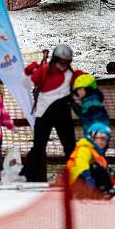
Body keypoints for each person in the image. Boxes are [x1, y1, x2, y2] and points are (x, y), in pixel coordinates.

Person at [20, 44, 84, 182]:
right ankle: (26, 177)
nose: (64, 65)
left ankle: (78, 177)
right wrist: (27, 73)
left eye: (67, 62)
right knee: (38, 147)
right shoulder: (43, 71)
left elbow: (79, 93)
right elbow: (26, 85)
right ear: (55, 59)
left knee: (70, 147)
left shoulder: (70, 74)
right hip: (43, 115)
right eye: (62, 62)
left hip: (63, 114)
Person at [67, 122, 115, 197]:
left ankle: (107, 190)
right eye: (102, 138)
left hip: (86, 180)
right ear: (92, 136)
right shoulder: (84, 148)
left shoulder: (96, 152)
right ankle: (101, 191)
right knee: (96, 167)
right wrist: (87, 176)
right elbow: (81, 162)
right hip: (76, 181)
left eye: (106, 139)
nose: (104, 142)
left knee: (99, 168)